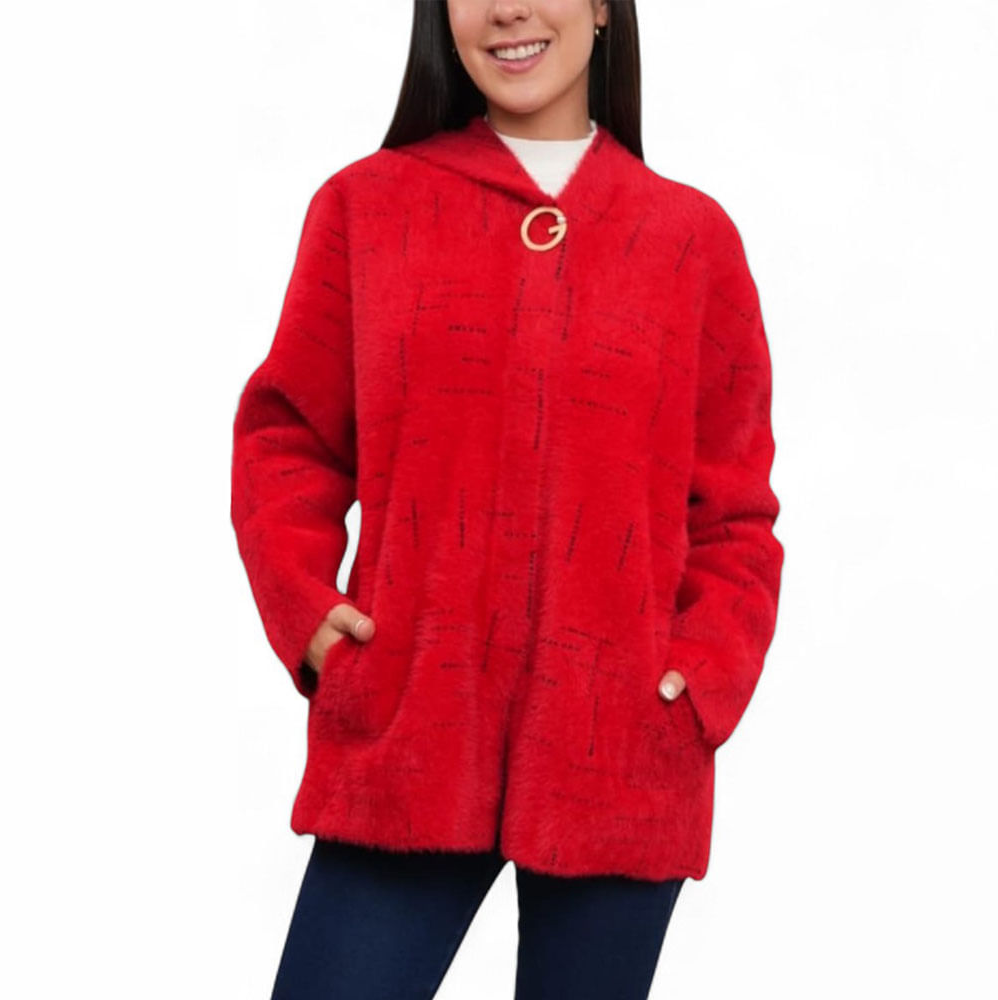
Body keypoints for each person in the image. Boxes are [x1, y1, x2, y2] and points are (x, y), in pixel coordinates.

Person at [229, 2, 784, 997]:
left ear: (603, 8)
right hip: (407, 732)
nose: (507, 10)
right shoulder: (366, 208)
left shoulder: (689, 239)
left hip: (621, 755)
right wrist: (310, 617)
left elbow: (734, 512)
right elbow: (287, 440)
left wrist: (698, 682)